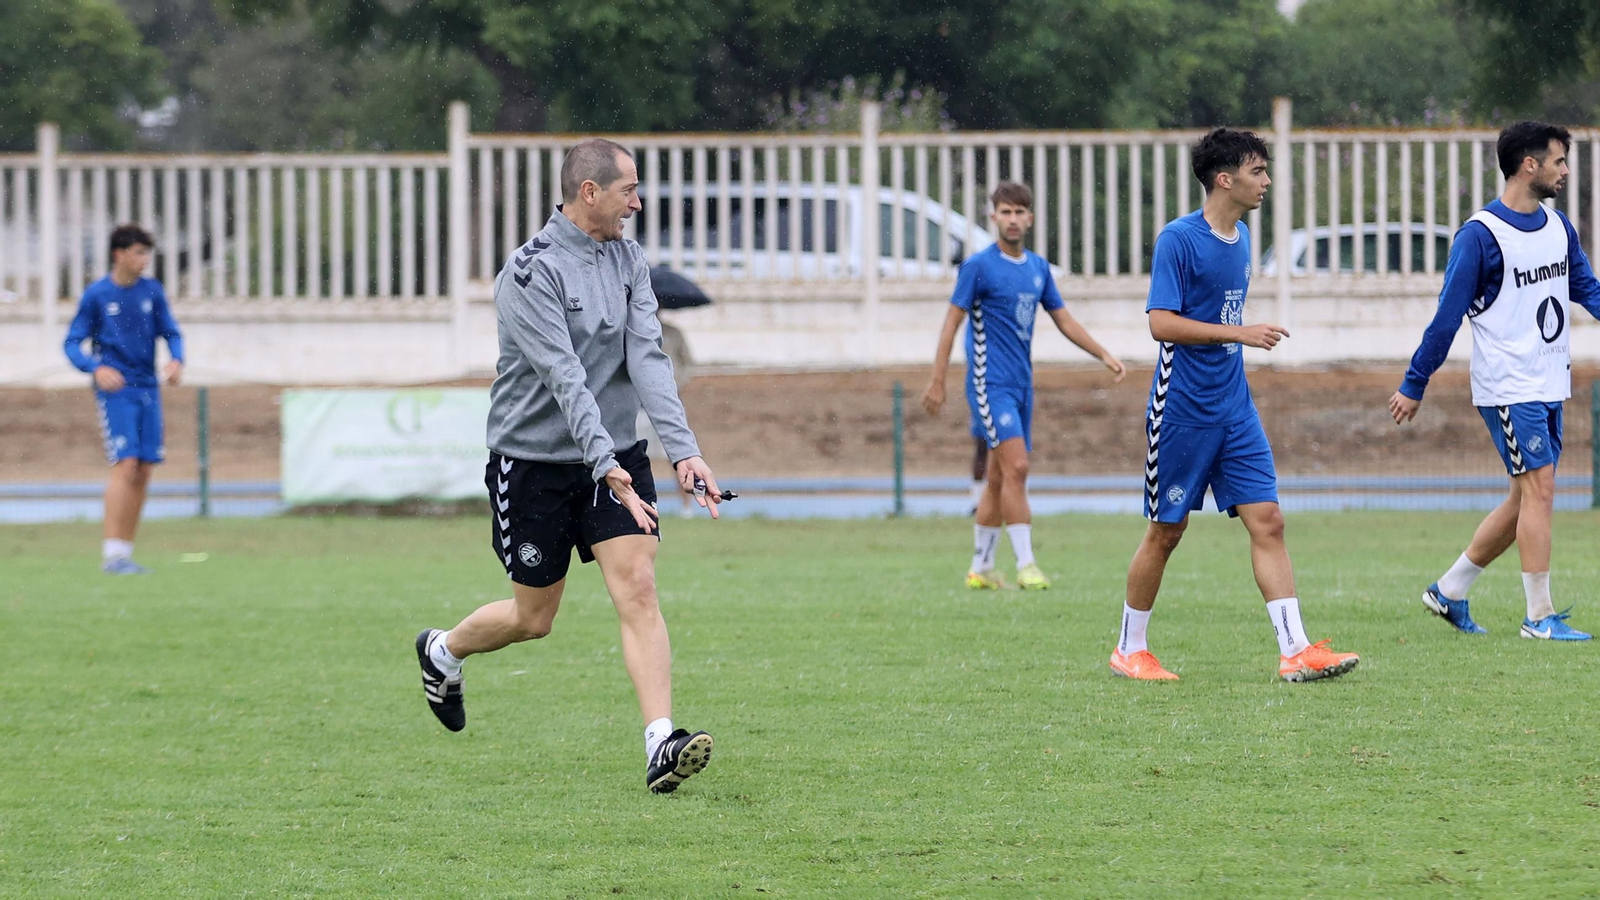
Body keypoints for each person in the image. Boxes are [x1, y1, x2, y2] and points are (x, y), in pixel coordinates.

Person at [414, 138, 725, 793]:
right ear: (590, 192)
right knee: (535, 618)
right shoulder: (529, 273)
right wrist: (602, 461)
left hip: (616, 455)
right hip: (534, 464)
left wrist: (683, 448)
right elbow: (565, 378)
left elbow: (647, 358)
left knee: (637, 586)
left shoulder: (629, 260)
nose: (637, 203)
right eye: (627, 191)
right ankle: (443, 650)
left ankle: (659, 743)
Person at [1111, 128, 1359, 683]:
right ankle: (1130, 648)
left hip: (1234, 409)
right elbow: (1161, 323)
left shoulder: (1242, 236)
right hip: (1182, 409)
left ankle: (1294, 650)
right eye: (1257, 171)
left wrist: (1236, 338)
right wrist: (1239, 333)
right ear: (1225, 179)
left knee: (1268, 520)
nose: (1266, 181)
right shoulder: (1178, 239)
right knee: (1167, 531)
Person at [1389, 121, 1600, 641]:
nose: (1565, 171)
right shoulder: (1480, 236)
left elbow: (1587, 288)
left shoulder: (1558, 227)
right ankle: (1539, 618)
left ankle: (1449, 591)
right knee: (1542, 490)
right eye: (1558, 161)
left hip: (1550, 381)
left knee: (1523, 499)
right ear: (1529, 166)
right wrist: (1415, 383)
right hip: (1508, 387)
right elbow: (1446, 318)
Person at [923, 182, 1125, 591]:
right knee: (1018, 467)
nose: (1012, 219)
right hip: (988, 382)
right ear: (993, 217)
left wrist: (1102, 353)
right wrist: (937, 379)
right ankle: (1026, 564)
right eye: (1005, 212)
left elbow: (1064, 320)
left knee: (1000, 478)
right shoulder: (978, 267)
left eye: (1020, 212)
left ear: (1030, 219)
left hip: (1021, 385)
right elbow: (951, 322)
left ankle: (980, 568)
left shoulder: (1037, 269)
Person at [63, 224, 184, 575]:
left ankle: (125, 553)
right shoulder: (97, 295)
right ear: (120, 254)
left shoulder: (152, 291)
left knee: (145, 469)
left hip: (149, 388)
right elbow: (72, 342)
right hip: (117, 390)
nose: (144, 259)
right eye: (139, 252)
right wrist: (94, 368)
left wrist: (176, 359)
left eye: (147, 253)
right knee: (126, 463)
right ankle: (112, 554)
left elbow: (171, 331)